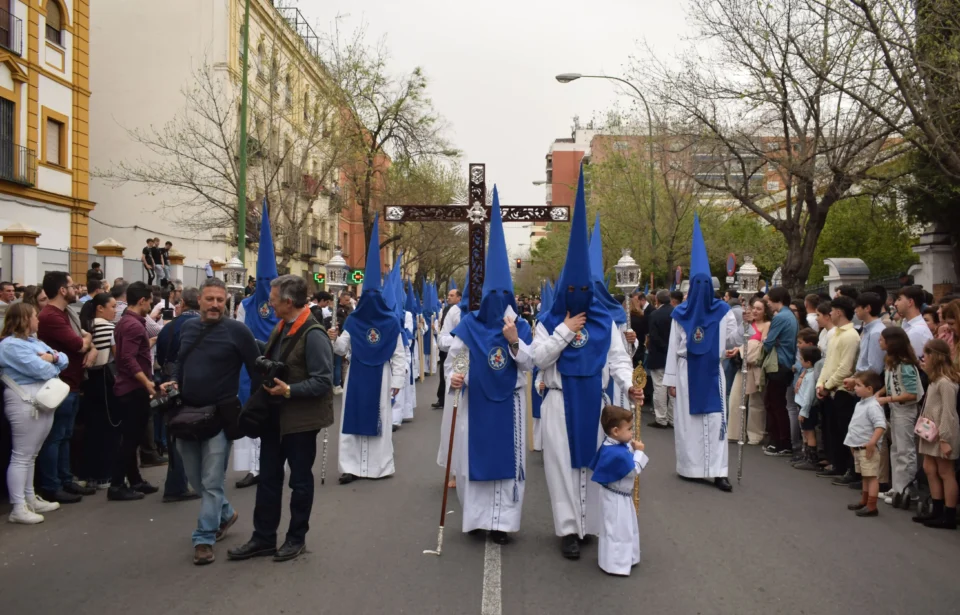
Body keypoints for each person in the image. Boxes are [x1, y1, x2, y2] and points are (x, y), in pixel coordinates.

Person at [530, 171, 642, 559]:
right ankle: (567, 530)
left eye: (584, 291)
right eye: (571, 290)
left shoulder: (604, 322)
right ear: (564, 290)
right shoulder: (546, 321)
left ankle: (589, 523)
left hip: (593, 400)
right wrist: (563, 330)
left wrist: (628, 386)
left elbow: (617, 359)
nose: (578, 296)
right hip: (559, 399)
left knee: (593, 462)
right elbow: (537, 359)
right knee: (561, 465)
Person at [447, 190, 535, 545]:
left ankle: (503, 523)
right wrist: (458, 375)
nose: (499, 303)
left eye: (505, 296)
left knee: (509, 463)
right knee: (477, 459)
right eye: (493, 297)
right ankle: (480, 519)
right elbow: (461, 357)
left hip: (511, 403)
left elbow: (530, 364)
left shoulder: (522, 326)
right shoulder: (470, 326)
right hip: (478, 400)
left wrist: (514, 340)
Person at [229, 275, 333, 564]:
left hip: (301, 422)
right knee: (269, 480)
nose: (270, 304)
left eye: (274, 299)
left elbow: (323, 381)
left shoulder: (314, 334)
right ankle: (263, 538)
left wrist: (289, 390)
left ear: (288, 302)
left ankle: (295, 538)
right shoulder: (282, 325)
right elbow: (276, 356)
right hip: (274, 418)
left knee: (299, 483)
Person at [164, 277, 259, 565]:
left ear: (226, 303)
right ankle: (227, 514)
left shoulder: (238, 331)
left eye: (221, 300)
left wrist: (257, 408)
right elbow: (180, 361)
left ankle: (204, 538)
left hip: (219, 416)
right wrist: (173, 382)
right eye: (210, 299)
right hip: (187, 415)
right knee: (197, 480)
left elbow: (257, 368)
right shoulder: (189, 327)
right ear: (199, 301)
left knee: (212, 481)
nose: (216, 304)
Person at [664, 215, 739, 493]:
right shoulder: (679, 314)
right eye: (696, 285)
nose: (701, 290)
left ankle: (719, 471)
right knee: (689, 423)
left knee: (716, 420)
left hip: (711, 371)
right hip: (686, 373)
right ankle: (691, 467)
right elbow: (674, 348)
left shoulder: (723, 312)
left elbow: (733, 337)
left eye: (705, 285)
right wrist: (670, 381)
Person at [330, 215, 405, 485]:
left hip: (382, 375)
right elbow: (341, 350)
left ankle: (376, 467)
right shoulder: (354, 321)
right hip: (357, 374)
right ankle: (350, 467)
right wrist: (333, 336)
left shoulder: (391, 323)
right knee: (353, 418)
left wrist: (397, 381)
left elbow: (398, 355)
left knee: (379, 420)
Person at [0, 303, 69, 524]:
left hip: (39, 399)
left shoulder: (32, 342)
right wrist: (53, 360)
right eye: (34, 316)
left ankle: (29, 498)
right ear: (24, 320)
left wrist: (54, 359)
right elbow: (41, 370)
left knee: (31, 455)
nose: (38, 319)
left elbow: (63, 359)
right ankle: (18, 506)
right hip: (24, 400)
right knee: (22, 455)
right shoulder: (10, 346)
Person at [36, 271, 97, 504]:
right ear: (62, 290)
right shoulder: (51, 316)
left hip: (72, 382)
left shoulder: (66, 313)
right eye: (72, 286)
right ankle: (52, 485)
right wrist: (88, 343)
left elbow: (84, 341)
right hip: (60, 384)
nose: (76, 289)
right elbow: (79, 343)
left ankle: (65, 479)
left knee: (66, 435)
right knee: (56, 437)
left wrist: (88, 344)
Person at [110, 281, 159, 501]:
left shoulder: (129, 323)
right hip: (133, 389)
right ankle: (117, 484)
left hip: (132, 387)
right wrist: (146, 382)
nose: (151, 305)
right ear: (142, 301)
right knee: (130, 439)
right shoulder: (132, 325)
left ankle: (135, 479)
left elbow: (133, 351)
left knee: (133, 437)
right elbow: (127, 359)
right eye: (150, 301)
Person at [589, 405, 648, 576]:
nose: (632, 433)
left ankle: (626, 557)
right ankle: (616, 564)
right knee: (617, 530)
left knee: (622, 527)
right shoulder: (616, 453)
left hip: (617, 495)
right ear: (615, 431)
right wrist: (639, 452)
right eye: (629, 429)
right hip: (616, 498)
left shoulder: (610, 445)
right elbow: (633, 471)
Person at [154, 287, 201, 503]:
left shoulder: (168, 328)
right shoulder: (203, 326)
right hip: (193, 382)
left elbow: (161, 355)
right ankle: (180, 484)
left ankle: (176, 482)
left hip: (169, 383)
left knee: (175, 431)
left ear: (183, 304)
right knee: (193, 431)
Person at [912, 339, 960, 529]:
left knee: (945, 471)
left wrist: (945, 438)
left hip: (942, 432)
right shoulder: (935, 380)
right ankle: (937, 510)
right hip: (930, 430)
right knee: (930, 469)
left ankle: (948, 514)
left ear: (935, 356)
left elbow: (949, 413)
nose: (924, 358)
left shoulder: (946, 383)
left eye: (927, 354)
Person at [816, 296, 861, 484]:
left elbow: (845, 367)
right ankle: (837, 464)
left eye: (832, 311)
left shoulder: (851, 335)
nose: (830, 314)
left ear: (839, 312)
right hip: (830, 388)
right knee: (833, 429)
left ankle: (850, 469)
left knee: (845, 431)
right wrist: (821, 383)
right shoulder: (834, 334)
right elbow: (828, 362)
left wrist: (828, 385)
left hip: (842, 390)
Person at [874, 327, 922, 504]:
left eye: (882, 339)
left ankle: (906, 490)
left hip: (905, 410)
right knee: (896, 448)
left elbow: (912, 393)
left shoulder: (906, 365)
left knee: (905, 450)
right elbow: (891, 384)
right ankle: (897, 486)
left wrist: (887, 399)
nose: (879, 341)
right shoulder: (892, 362)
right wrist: (879, 393)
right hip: (895, 408)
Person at [79, 293, 120, 491]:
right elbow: (117, 355)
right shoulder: (107, 327)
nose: (116, 310)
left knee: (93, 428)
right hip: (105, 379)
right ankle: (104, 474)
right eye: (112, 306)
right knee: (108, 427)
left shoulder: (87, 325)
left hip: (90, 381)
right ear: (100, 308)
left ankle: (90, 474)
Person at [844, 371, 887, 517]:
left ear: (869, 389)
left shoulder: (873, 406)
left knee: (872, 476)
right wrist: (851, 443)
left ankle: (872, 505)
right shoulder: (861, 403)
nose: (855, 388)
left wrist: (872, 442)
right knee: (865, 476)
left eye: (858, 385)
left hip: (867, 448)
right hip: (858, 446)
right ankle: (864, 500)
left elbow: (880, 425)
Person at [762, 287, 799, 457]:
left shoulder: (780, 317)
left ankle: (781, 442)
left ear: (777, 299)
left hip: (778, 364)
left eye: (769, 300)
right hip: (785, 363)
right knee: (777, 404)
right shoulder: (790, 316)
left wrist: (769, 341)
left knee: (775, 404)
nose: (767, 303)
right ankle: (781, 441)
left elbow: (768, 342)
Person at [728, 299, 770, 445]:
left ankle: (755, 435)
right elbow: (736, 339)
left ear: (765, 311)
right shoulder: (747, 324)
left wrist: (741, 350)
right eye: (754, 308)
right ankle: (735, 433)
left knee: (755, 403)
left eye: (759, 309)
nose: (755, 311)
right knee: (735, 398)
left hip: (756, 367)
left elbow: (761, 345)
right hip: (742, 365)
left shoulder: (767, 325)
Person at [436, 286, 464, 484]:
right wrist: (458, 338)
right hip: (462, 358)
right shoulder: (455, 312)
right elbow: (442, 338)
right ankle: (453, 469)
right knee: (456, 417)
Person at [646, 290, 675, 429]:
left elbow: (654, 336)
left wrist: (664, 348)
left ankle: (661, 418)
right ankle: (672, 417)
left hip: (659, 355)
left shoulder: (655, 315)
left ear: (657, 300)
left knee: (659, 387)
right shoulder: (677, 313)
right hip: (673, 355)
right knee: (673, 387)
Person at [792, 346, 823, 471]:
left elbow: (809, 395)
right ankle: (806, 456)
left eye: (801, 359)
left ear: (808, 362)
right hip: (804, 407)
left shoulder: (811, 377)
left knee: (809, 432)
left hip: (808, 408)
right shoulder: (809, 373)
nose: (800, 360)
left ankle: (811, 459)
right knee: (805, 432)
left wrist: (804, 412)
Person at [895, 286, 933, 360]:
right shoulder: (907, 324)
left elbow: (912, 362)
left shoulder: (917, 331)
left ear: (910, 302)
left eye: (899, 299)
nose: (896, 303)